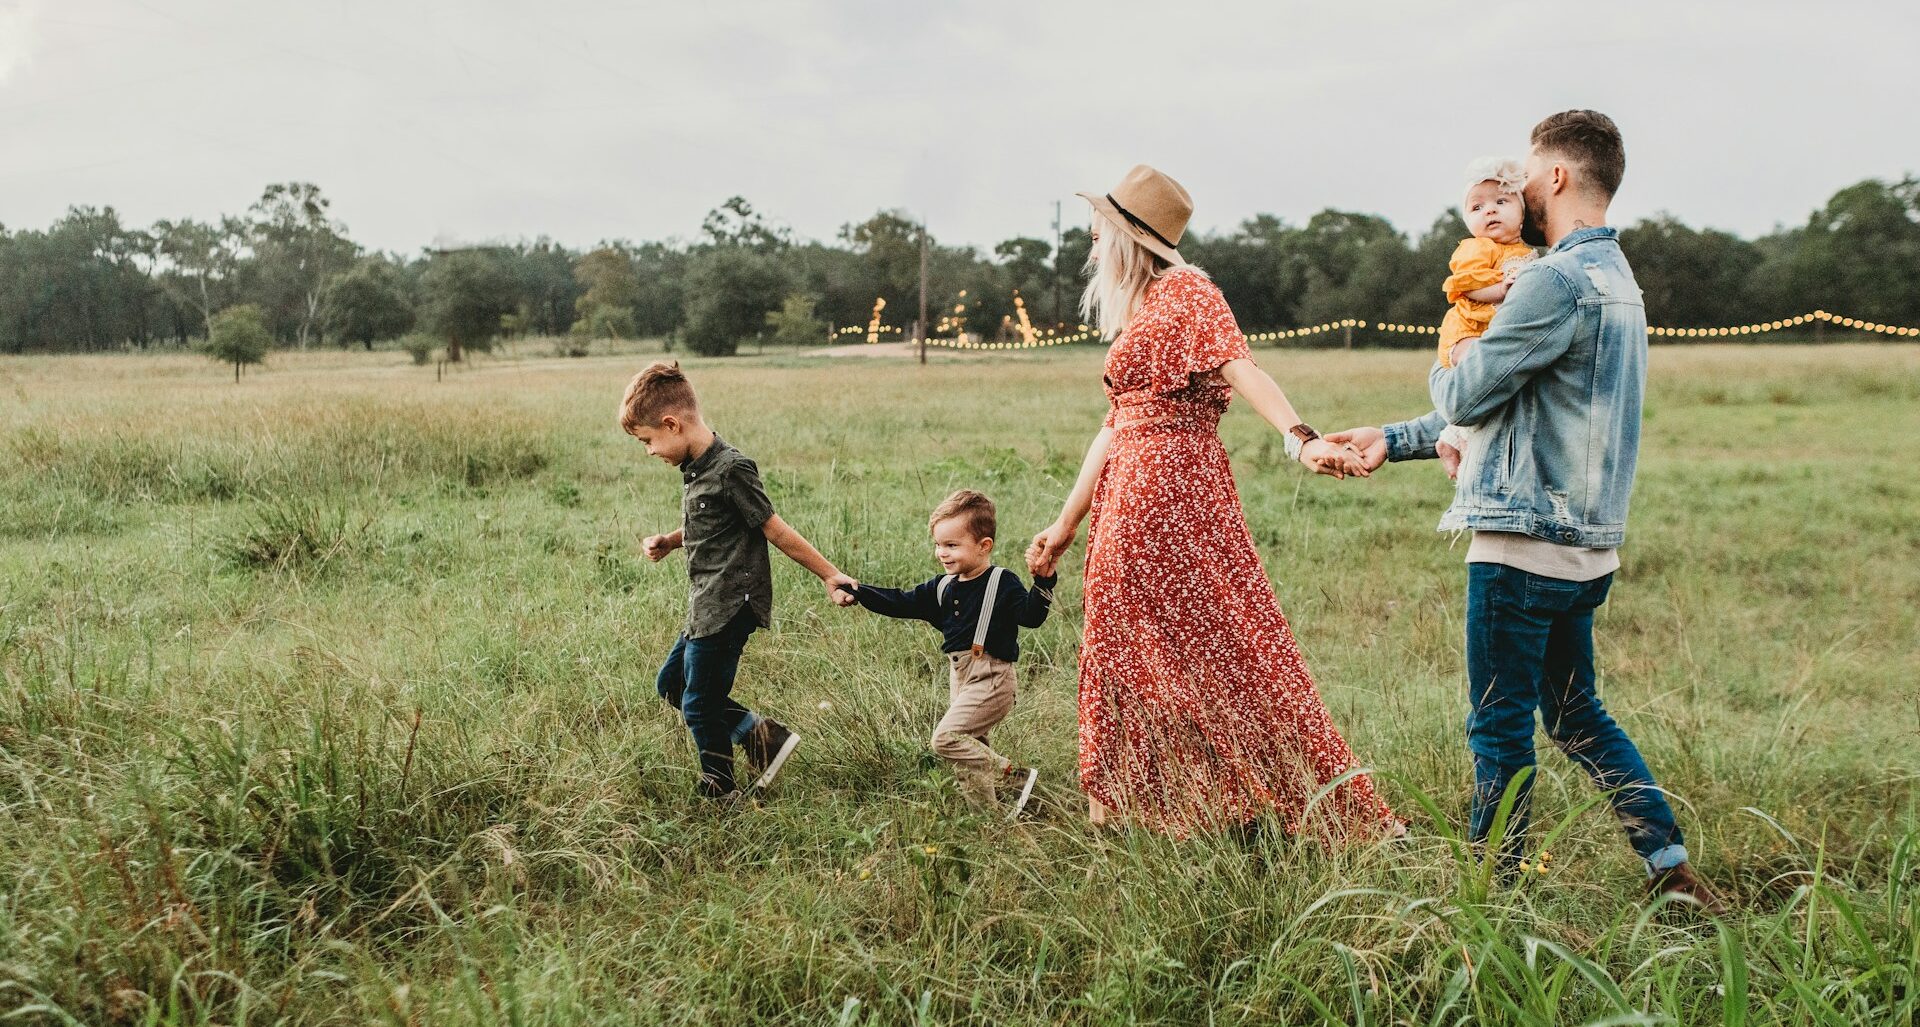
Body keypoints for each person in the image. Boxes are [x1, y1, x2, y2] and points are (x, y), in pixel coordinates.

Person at [1327, 111, 1725, 912]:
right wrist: (1395, 438)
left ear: (1557, 178)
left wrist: (1452, 357)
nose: (1516, 190)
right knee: (1576, 714)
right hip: (1586, 549)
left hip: (1521, 545)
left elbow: (1471, 390)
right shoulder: (1619, 281)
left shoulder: (1550, 279)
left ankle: (1491, 894)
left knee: (1498, 726)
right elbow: (1520, 402)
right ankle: (1670, 866)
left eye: (1528, 173)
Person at [1026, 164, 1401, 841]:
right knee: (1122, 645)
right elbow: (1114, 426)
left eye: (1098, 229)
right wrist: (1064, 523)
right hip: (1128, 493)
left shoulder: (1189, 290)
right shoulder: (1142, 307)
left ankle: (1260, 799)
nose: (1089, 239)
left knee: (1224, 643)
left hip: (1172, 491)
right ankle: (1135, 806)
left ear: (1129, 236)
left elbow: (1242, 366)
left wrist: (1300, 438)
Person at [620, 361, 858, 799]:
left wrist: (830, 575)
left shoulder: (731, 468)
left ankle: (720, 788)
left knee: (699, 703)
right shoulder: (695, 469)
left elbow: (775, 529)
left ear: (672, 424)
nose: (649, 451)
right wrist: (672, 541)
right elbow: (710, 526)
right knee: (671, 685)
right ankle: (763, 739)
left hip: (731, 603)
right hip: (705, 603)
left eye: (648, 441)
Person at [840, 490, 1054, 815]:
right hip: (961, 678)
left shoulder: (1001, 582)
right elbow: (900, 601)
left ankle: (1014, 777)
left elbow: (1032, 617)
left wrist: (1044, 581)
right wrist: (858, 592)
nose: (942, 552)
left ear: (984, 546)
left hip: (993, 679)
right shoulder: (942, 587)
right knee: (969, 755)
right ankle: (989, 822)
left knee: (947, 739)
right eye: (939, 544)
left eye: (952, 545)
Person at [1433, 156, 1538, 479]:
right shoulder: (1477, 248)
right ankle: (1455, 439)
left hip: (1490, 331)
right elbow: (1466, 285)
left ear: (1522, 213)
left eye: (1501, 201)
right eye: (1477, 208)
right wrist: (1500, 289)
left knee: (1495, 385)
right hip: (1466, 331)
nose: (1489, 211)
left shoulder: (1525, 252)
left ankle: (1455, 438)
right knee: (1480, 376)